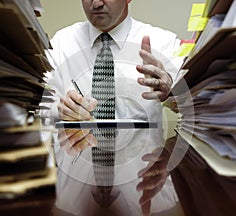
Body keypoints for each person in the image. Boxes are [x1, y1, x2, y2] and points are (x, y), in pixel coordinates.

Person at [46, 0, 183, 127]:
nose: (96, 3)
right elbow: (38, 107)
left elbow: (189, 102)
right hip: (75, 151)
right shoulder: (60, 43)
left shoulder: (164, 42)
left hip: (143, 153)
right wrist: (60, 109)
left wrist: (169, 91)